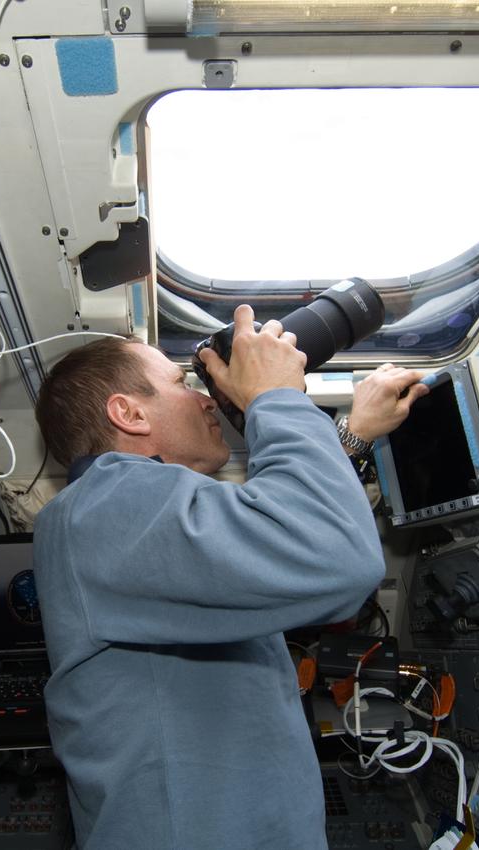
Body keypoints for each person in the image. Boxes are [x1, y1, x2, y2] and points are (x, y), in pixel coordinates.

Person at [32, 305, 429, 849]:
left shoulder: (133, 519)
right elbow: (336, 559)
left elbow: (280, 553)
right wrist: (273, 395)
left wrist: (353, 435)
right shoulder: (105, 502)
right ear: (130, 414)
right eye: (178, 382)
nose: (202, 397)